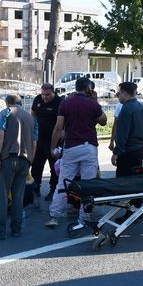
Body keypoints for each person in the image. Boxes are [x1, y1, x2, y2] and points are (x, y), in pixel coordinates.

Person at [45, 77, 107, 228]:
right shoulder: (92, 104)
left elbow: (58, 127)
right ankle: (84, 215)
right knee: (88, 182)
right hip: (89, 147)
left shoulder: (66, 103)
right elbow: (104, 121)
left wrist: (53, 147)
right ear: (88, 89)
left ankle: (54, 216)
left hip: (71, 147)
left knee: (64, 181)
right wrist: (96, 101)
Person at [0, 94, 37, 240]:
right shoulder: (31, 118)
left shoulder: (6, 113)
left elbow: (0, 136)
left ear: (8, 103)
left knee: (2, 195)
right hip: (25, 160)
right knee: (18, 196)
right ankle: (16, 229)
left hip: (8, 158)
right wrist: (30, 160)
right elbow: (34, 143)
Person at [111, 82, 143, 223]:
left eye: (119, 92)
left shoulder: (126, 108)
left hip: (127, 151)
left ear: (125, 93)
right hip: (139, 149)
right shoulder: (141, 107)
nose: (118, 95)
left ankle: (130, 212)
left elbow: (122, 134)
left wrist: (116, 152)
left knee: (125, 183)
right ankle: (137, 209)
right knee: (136, 180)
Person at [30, 83, 62, 201]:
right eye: (43, 94)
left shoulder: (59, 102)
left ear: (53, 92)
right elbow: (33, 113)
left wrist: (63, 132)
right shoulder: (38, 99)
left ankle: (53, 190)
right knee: (36, 166)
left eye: (47, 95)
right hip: (39, 139)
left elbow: (63, 121)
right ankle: (35, 189)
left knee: (54, 167)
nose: (44, 97)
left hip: (53, 140)